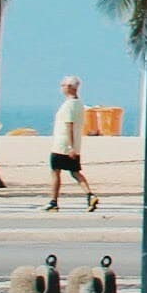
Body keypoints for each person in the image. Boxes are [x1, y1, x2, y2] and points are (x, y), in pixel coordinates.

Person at [47, 77, 96, 212]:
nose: (61, 87)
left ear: (69, 87)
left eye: (63, 85)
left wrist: (70, 147)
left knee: (55, 172)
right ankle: (90, 195)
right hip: (73, 145)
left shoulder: (69, 105)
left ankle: (53, 202)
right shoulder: (79, 104)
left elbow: (69, 125)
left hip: (62, 145)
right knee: (75, 172)